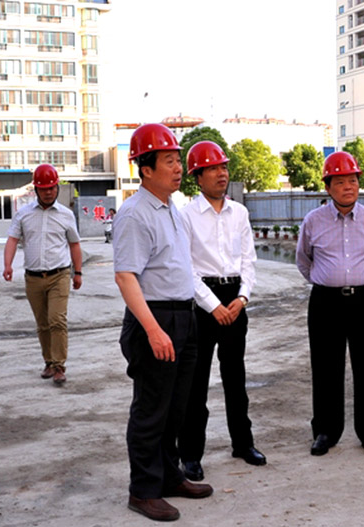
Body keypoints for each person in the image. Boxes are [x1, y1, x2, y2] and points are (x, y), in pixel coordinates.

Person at [113, 123, 213, 522]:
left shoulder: (171, 206)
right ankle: (143, 490)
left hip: (183, 316)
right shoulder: (135, 214)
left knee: (176, 408)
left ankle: (170, 476)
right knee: (151, 410)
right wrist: (153, 330)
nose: (178, 168)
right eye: (169, 161)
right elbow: (126, 277)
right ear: (146, 169)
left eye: (177, 160)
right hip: (154, 319)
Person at [296, 151, 364, 458]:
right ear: (328, 187)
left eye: (353, 181)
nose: (348, 187)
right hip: (325, 302)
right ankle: (325, 432)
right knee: (325, 367)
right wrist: (324, 279)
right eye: (341, 182)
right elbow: (303, 260)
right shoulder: (313, 221)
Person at [177, 141, 266, 482]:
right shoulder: (186, 216)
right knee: (196, 382)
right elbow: (186, 267)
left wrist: (242, 299)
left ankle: (243, 443)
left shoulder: (239, 213)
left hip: (234, 300)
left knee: (235, 378)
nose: (221, 174)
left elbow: (248, 261)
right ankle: (190, 454)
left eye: (223, 167)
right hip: (202, 304)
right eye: (212, 169)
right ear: (197, 177)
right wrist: (213, 306)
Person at [3, 164, 82, 385]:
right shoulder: (23, 214)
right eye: (44, 188)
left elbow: (74, 244)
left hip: (59, 275)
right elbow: (12, 240)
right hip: (33, 278)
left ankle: (59, 366)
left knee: (57, 320)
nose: (48, 192)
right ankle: (49, 362)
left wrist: (78, 273)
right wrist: (8, 265)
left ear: (57, 187)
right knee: (43, 323)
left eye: (52, 188)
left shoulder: (66, 215)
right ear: (36, 189)